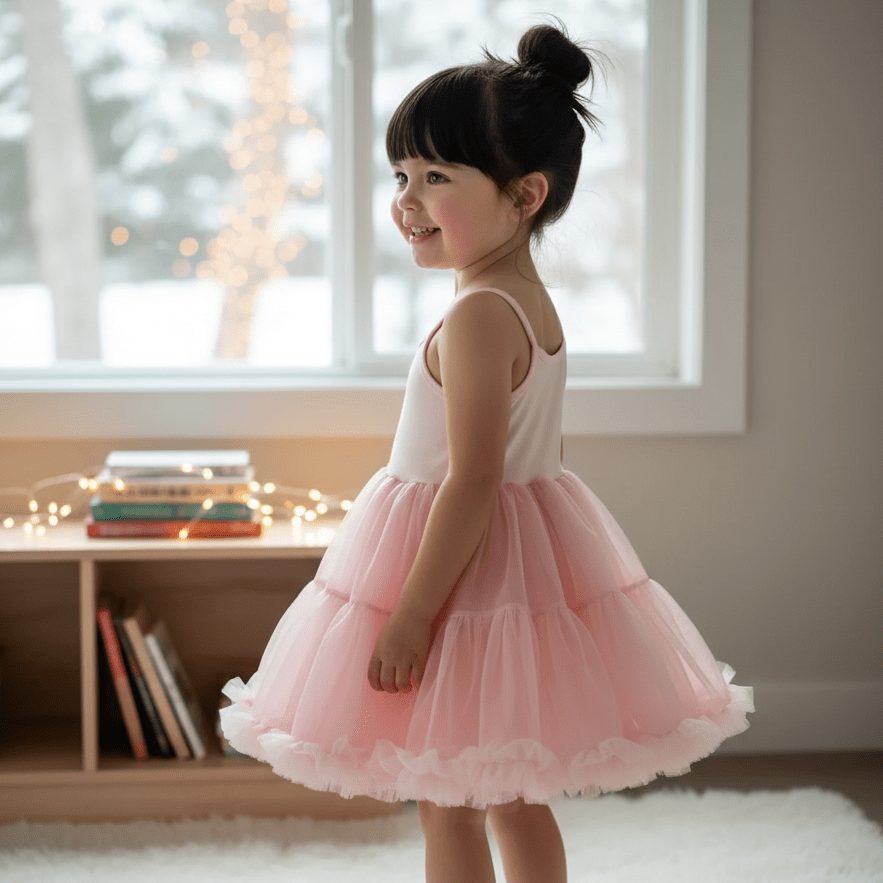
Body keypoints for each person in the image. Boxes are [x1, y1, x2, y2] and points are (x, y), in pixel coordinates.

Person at [221, 21, 753, 883]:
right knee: (511, 789)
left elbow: (471, 480)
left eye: (436, 177)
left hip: (464, 576)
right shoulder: (525, 301)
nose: (406, 200)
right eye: (400, 175)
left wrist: (412, 614)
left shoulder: (475, 316)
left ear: (525, 195)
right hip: (522, 562)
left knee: (449, 799)